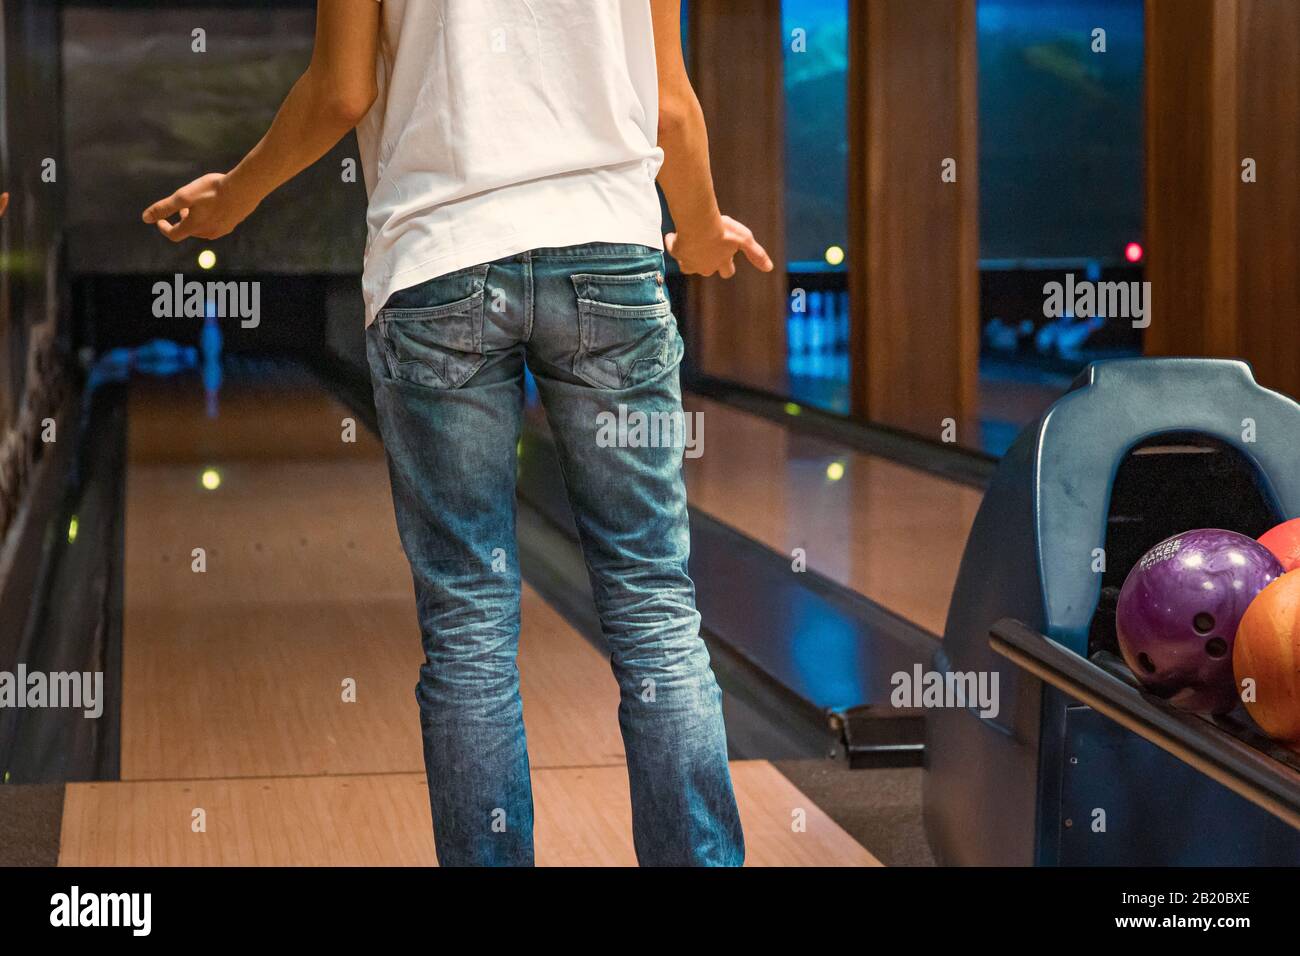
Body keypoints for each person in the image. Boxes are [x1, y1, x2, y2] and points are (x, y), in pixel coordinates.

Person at [143, 0, 771, 867]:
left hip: (440, 257)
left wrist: (233, 196)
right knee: (654, 604)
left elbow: (340, 91)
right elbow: (668, 100)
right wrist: (698, 232)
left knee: (470, 620)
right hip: (609, 252)